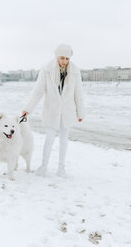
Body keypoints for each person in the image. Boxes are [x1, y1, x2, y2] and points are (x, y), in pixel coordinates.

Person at [21, 44, 85, 177]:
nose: (64, 61)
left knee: (64, 140)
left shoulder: (75, 71)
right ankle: (43, 166)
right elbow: (38, 91)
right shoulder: (47, 70)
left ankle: (61, 168)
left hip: (68, 112)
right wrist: (28, 109)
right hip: (52, 111)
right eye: (62, 58)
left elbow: (78, 93)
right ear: (57, 57)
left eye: (67, 58)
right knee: (49, 139)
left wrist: (80, 112)